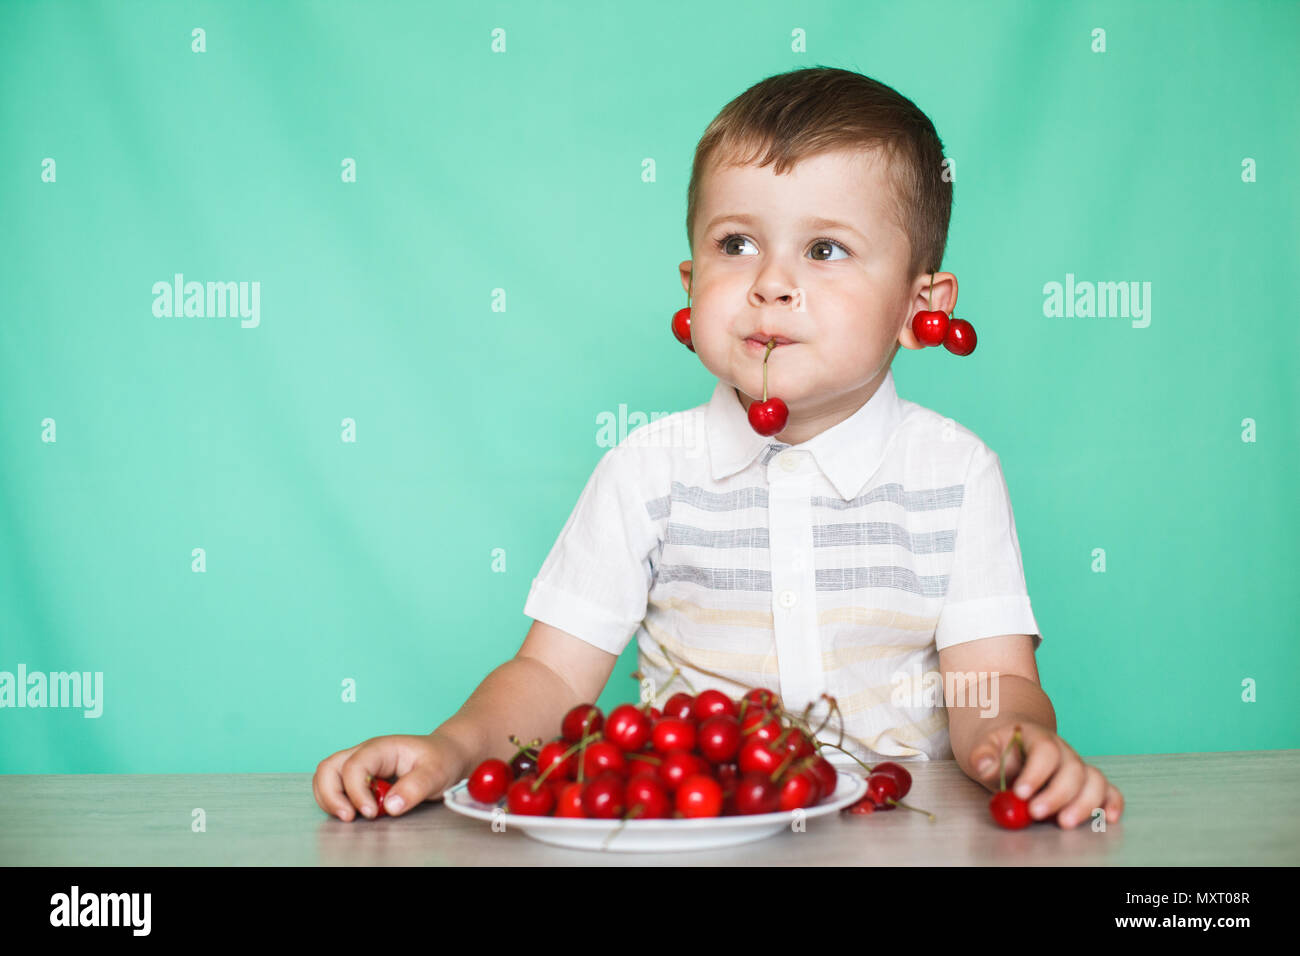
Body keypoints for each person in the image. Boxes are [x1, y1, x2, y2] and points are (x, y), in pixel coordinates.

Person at [314, 66, 1124, 829]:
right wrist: (451, 748)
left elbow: (996, 681)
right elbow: (552, 677)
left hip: (904, 840)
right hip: (702, 832)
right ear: (689, 287)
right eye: (736, 244)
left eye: (824, 249)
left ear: (923, 309)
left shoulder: (956, 474)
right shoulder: (647, 472)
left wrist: (1017, 749)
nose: (771, 282)